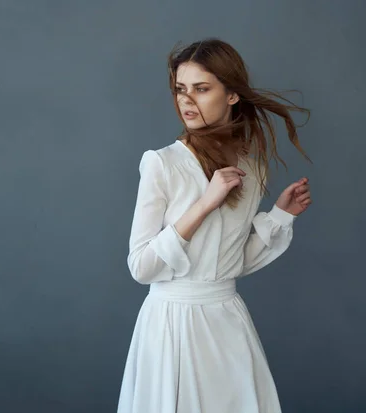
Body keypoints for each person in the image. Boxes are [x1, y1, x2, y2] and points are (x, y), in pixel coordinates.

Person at [117, 38, 312, 413]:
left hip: (227, 322)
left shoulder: (252, 168)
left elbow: (230, 265)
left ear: (232, 95)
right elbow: (141, 267)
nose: (186, 101)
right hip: (171, 327)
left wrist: (280, 215)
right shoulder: (162, 163)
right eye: (180, 90)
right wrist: (204, 204)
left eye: (201, 89)